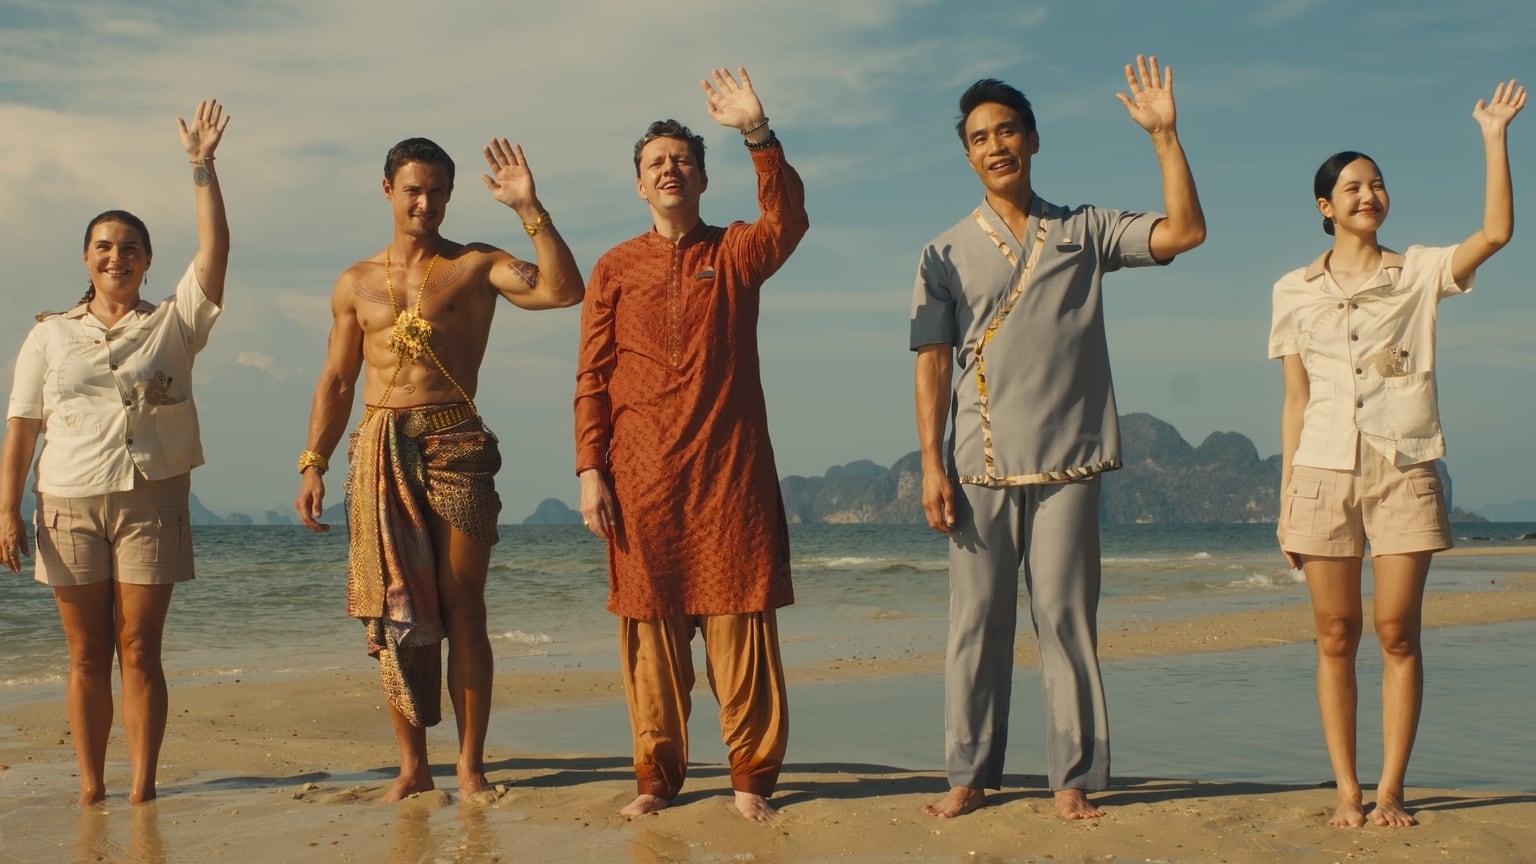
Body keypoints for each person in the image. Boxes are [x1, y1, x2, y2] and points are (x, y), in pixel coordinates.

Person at [910, 57, 1206, 821]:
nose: (995, 145)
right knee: (975, 624)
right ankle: (968, 774)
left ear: (1033, 140)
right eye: (979, 137)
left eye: (1007, 130)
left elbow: (1186, 231)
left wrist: (1165, 138)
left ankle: (1071, 777)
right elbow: (932, 363)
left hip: (1072, 460)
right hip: (979, 462)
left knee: (1067, 620)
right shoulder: (942, 251)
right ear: (967, 154)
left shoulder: (1086, 229)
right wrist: (931, 465)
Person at [294, 135, 583, 803]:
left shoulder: (476, 265)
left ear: (451, 196)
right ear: (388, 190)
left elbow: (565, 291)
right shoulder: (354, 283)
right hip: (379, 452)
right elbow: (338, 379)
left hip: (457, 443)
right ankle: (412, 767)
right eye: (414, 189)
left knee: (464, 611)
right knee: (395, 614)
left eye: (438, 191)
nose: (426, 202)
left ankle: (471, 767)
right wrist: (314, 462)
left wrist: (529, 208)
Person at [1271, 80, 1525, 829]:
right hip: (1319, 471)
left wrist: (1493, 137)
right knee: (1335, 636)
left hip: (1403, 467)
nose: (1368, 193)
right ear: (1325, 206)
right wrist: (1288, 500)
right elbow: (1294, 399)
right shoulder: (1292, 289)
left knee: (1397, 634)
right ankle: (1346, 790)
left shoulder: (1415, 271)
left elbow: (1498, 234)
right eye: (1352, 186)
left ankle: (1390, 791)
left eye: (1377, 183)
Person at [574, 67, 808, 823]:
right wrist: (589, 471)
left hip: (729, 477)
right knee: (650, 637)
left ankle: (750, 782)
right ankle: (657, 776)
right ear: (639, 186)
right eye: (655, 164)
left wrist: (758, 134)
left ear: (703, 177)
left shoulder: (736, 252)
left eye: (681, 160)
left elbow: (787, 224)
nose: (669, 170)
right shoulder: (614, 267)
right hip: (639, 478)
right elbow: (592, 378)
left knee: (743, 630)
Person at [1, 100, 232, 805]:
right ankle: (91, 786)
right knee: (84, 654)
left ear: (147, 259)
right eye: (103, 246)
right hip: (65, 499)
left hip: (151, 496)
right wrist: (7, 511)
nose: (116, 256)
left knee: (139, 649)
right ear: (86, 257)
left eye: (129, 247)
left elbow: (216, 251)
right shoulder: (49, 334)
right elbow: (22, 423)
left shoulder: (174, 324)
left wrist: (202, 167)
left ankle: (142, 788)